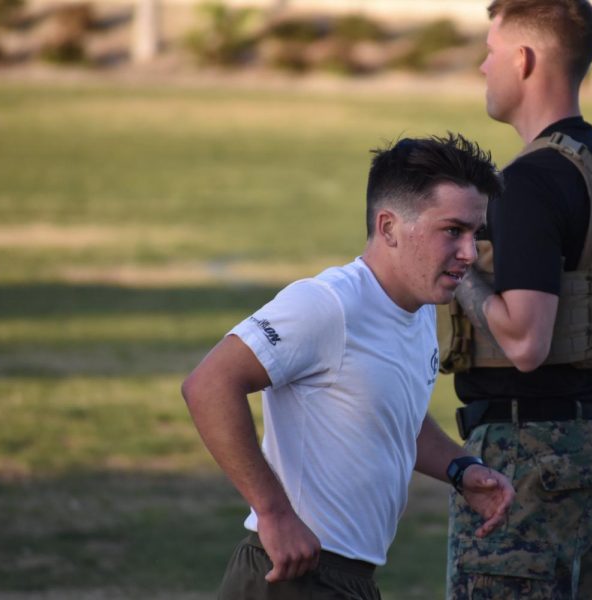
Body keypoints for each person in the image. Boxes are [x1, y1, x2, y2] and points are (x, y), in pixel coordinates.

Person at [182, 133, 515, 600]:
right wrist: (274, 513)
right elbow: (209, 385)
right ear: (389, 226)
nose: (468, 253)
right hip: (289, 577)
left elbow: (390, 414)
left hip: (351, 581)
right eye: (452, 231)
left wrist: (461, 468)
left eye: (474, 234)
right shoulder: (328, 304)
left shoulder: (418, 310)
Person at [444, 1, 592, 598]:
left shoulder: (530, 181)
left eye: (490, 51)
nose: (483, 67)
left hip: (529, 457)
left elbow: (526, 342)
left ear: (525, 59)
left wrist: (457, 269)